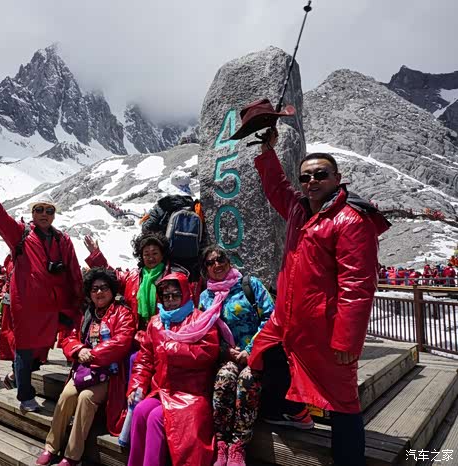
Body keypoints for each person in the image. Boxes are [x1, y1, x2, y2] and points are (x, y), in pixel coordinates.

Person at [247, 128, 390, 466]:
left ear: (337, 179)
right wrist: (267, 152)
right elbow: (276, 188)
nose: (312, 181)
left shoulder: (351, 220)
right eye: (306, 176)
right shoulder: (300, 210)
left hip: (325, 330)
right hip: (287, 321)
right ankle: (289, 410)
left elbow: (357, 284)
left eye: (321, 174)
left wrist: (347, 340)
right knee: (263, 356)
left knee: (343, 402)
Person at [0, 179, 83, 412]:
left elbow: (73, 270)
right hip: (27, 307)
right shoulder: (20, 234)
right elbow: (0, 219)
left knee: (50, 345)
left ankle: (15, 378)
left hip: (55, 306)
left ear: (54, 215)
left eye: (49, 211)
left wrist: (79, 299)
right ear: (33, 213)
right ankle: (25, 396)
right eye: (39, 209)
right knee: (25, 349)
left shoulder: (63, 240)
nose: (44, 214)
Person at [36, 268, 136, 466]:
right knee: (66, 396)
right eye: (94, 289)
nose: (99, 292)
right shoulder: (85, 313)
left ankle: (72, 455)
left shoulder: (123, 312)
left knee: (85, 398)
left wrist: (91, 355)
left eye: (104, 288)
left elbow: (122, 341)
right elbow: (69, 338)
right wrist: (79, 349)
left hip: (108, 374)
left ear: (112, 289)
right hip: (84, 371)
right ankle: (51, 446)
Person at [127, 271, 219, 466]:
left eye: (175, 295)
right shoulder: (155, 322)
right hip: (161, 389)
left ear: (185, 294)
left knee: (155, 418)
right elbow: (144, 359)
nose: (170, 300)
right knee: (141, 411)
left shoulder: (199, 320)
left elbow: (208, 353)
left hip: (190, 393)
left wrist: (173, 349)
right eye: (166, 296)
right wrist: (137, 386)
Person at [197, 246, 275, 466]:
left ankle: (239, 444)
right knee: (224, 379)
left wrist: (249, 350)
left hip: (257, 353)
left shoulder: (250, 285)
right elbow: (205, 331)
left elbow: (270, 317)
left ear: (228, 260)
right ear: (205, 269)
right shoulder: (205, 297)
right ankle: (222, 442)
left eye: (220, 258)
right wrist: (225, 350)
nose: (217, 264)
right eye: (210, 262)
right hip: (228, 355)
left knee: (247, 380)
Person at [84, 232, 191, 379]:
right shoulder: (132, 276)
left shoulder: (173, 277)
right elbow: (111, 275)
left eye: (155, 253)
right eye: (146, 254)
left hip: (164, 336)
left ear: (162, 254)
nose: (150, 257)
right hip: (136, 338)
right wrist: (96, 255)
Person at [141, 171, 206, 280]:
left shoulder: (164, 205)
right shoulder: (195, 206)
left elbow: (146, 228)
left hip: (167, 262)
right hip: (191, 263)